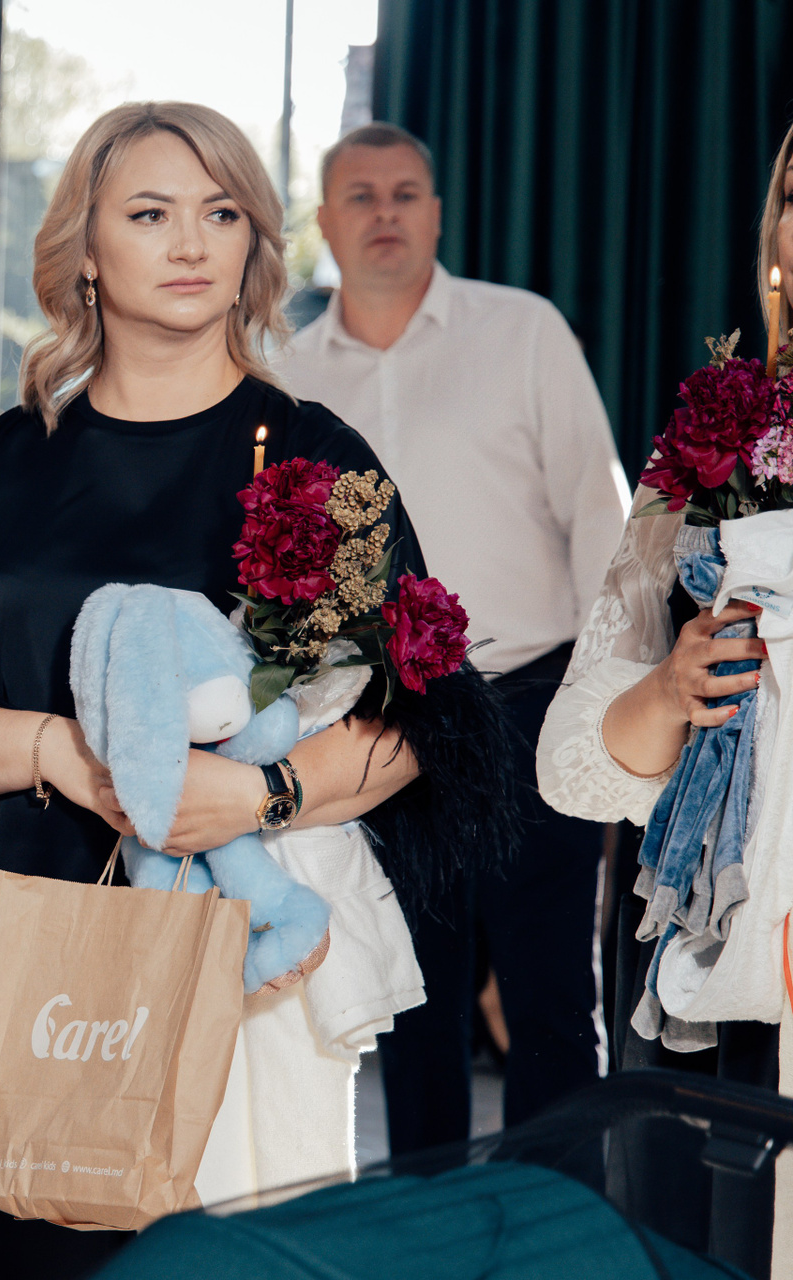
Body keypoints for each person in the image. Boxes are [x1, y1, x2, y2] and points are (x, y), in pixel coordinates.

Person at [0, 101, 511, 1280]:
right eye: (149, 214)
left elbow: (422, 724)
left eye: (220, 213)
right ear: (84, 249)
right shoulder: (0, 463)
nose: (190, 243)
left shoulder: (317, 455)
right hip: (32, 957)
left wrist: (262, 794)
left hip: (248, 961)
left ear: (253, 243)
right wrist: (75, 757)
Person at [271, 121, 631, 1153]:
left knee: (550, 995)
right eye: (362, 195)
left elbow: (602, 521)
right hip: (383, 721)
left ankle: (558, 1214)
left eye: (405, 194)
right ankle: (427, 1218)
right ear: (327, 221)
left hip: (532, 701)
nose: (385, 212)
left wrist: (606, 702)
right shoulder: (287, 375)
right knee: (414, 1002)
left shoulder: (523, 331)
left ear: (435, 213)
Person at [536, 118, 793, 1275]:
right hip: (730, 963)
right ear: (774, 240)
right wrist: (675, 685)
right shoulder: (712, 439)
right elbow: (572, 758)